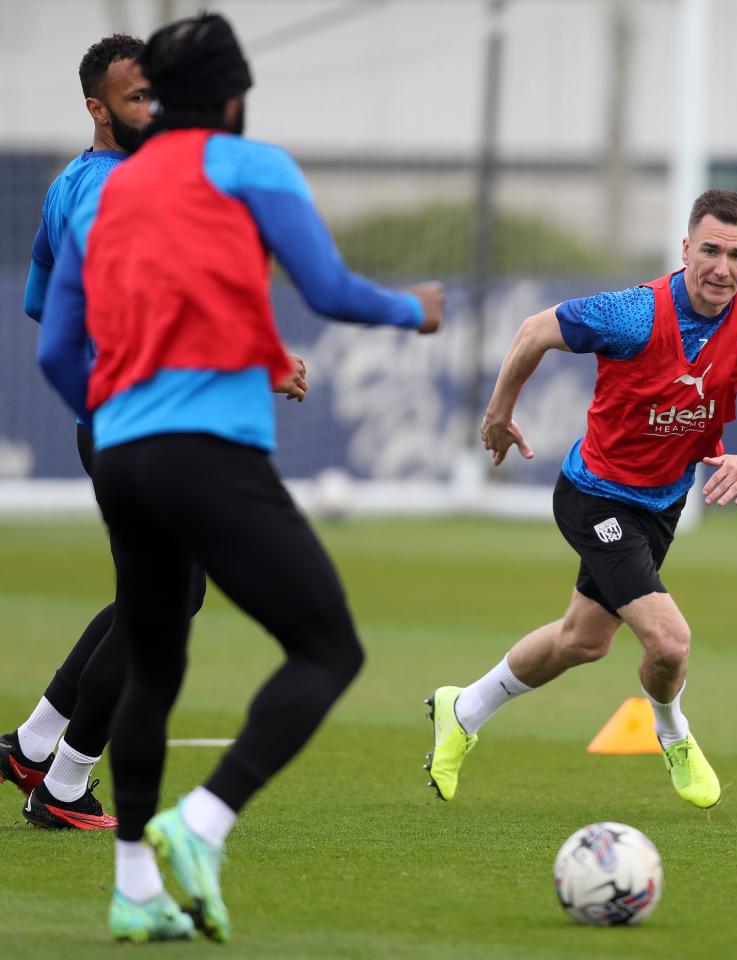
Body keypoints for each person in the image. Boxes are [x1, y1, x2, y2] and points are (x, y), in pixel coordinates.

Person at [38, 12, 443, 943]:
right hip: (206, 452)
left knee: (154, 664)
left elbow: (59, 344)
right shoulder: (254, 168)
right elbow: (331, 290)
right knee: (328, 648)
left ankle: (134, 884)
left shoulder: (107, 193)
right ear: (234, 96)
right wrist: (411, 311)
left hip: (123, 454)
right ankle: (204, 821)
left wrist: (110, 419)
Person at [1, 34, 307, 832]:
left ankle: (35, 747)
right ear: (98, 109)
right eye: (138, 98)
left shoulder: (75, 182)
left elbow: (41, 298)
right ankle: (64, 784)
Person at [425, 188, 737, 811]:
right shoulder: (633, 313)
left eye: (735, 254)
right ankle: (673, 733)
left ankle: (462, 709)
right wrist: (498, 414)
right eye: (709, 250)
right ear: (685, 249)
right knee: (671, 642)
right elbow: (533, 331)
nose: (721, 267)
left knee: (583, 640)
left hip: (661, 505)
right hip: (595, 495)